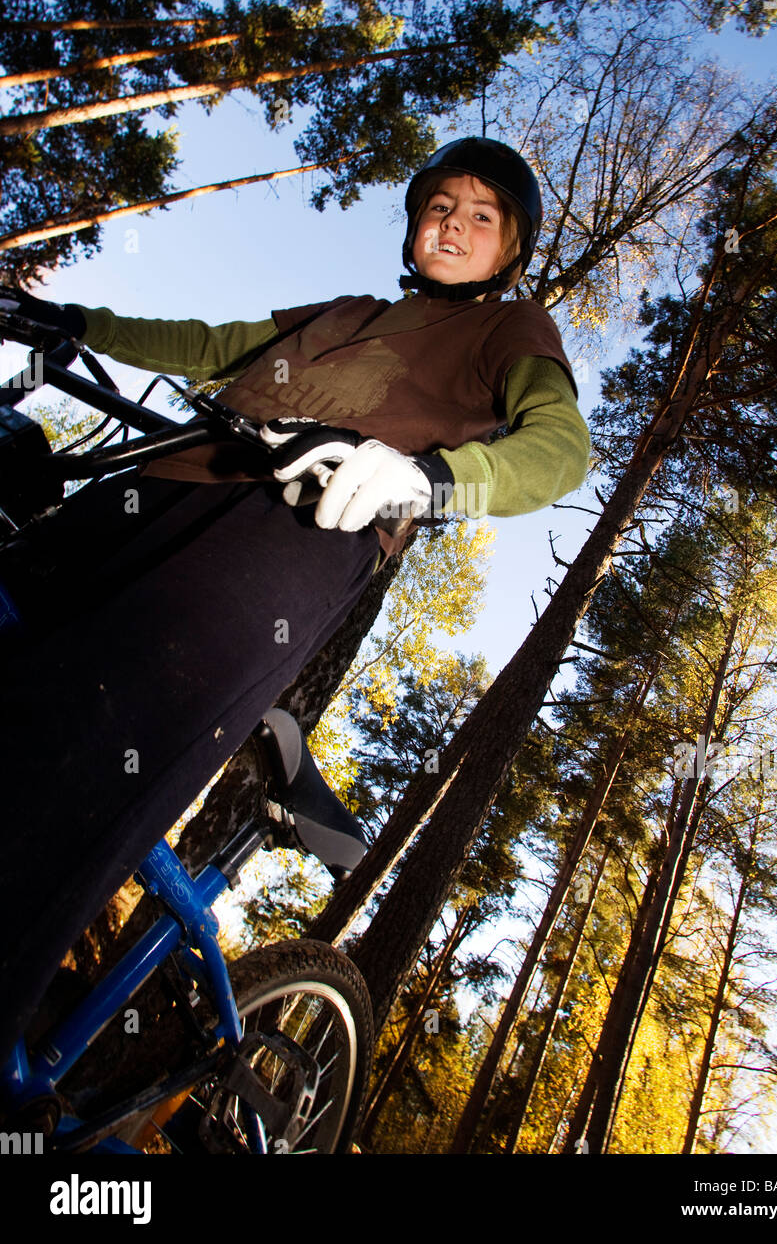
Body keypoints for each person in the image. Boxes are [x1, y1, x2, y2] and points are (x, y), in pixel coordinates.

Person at [0, 136, 590, 1064]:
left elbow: (559, 447)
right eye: (441, 205)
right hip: (165, 476)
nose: (454, 223)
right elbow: (206, 348)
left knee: (76, 731)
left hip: (299, 529)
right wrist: (72, 317)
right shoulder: (347, 310)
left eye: (482, 216)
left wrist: (433, 477)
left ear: (508, 252)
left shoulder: (510, 332)